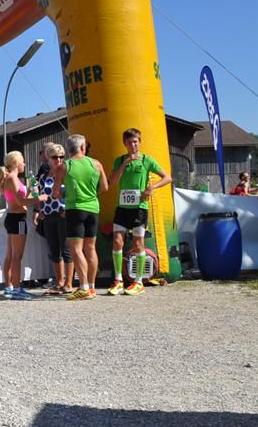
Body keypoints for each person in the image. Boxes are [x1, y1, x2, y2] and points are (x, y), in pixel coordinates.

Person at [107, 128, 172, 296]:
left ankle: (138, 282)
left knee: (138, 243)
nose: (133, 145)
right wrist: (124, 164)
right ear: (125, 144)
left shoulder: (147, 160)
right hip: (122, 208)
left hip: (139, 209)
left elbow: (167, 178)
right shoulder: (119, 160)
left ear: (139, 142)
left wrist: (151, 187)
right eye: (129, 142)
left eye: (135, 142)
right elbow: (112, 181)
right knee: (117, 242)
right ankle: (118, 281)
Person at [53, 133, 109, 301]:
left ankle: (83, 287)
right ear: (83, 147)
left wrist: (66, 194)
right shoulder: (96, 164)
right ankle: (91, 287)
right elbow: (105, 187)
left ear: (69, 149)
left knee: (76, 249)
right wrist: (91, 194)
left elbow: (56, 193)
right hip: (93, 208)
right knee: (90, 248)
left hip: (75, 209)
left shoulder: (65, 166)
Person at [0, 151, 47, 300]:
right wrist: (40, 198)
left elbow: (22, 198)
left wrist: (30, 190)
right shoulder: (12, 178)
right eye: (22, 161)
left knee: (11, 255)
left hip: (14, 217)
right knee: (17, 256)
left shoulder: (12, 178)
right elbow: (22, 202)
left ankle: (10, 287)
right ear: (16, 163)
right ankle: (17, 289)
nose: (24, 164)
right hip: (18, 218)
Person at [35, 142, 73, 294]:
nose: (58, 160)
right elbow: (40, 194)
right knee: (54, 251)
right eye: (55, 157)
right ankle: (59, 282)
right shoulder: (44, 175)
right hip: (48, 215)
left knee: (66, 250)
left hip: (63, 214)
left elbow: (73, 192)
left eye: (61, 157)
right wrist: (39, 210)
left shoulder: (67, 173)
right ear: (48, 158)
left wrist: (68, 209)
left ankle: (69, 283)